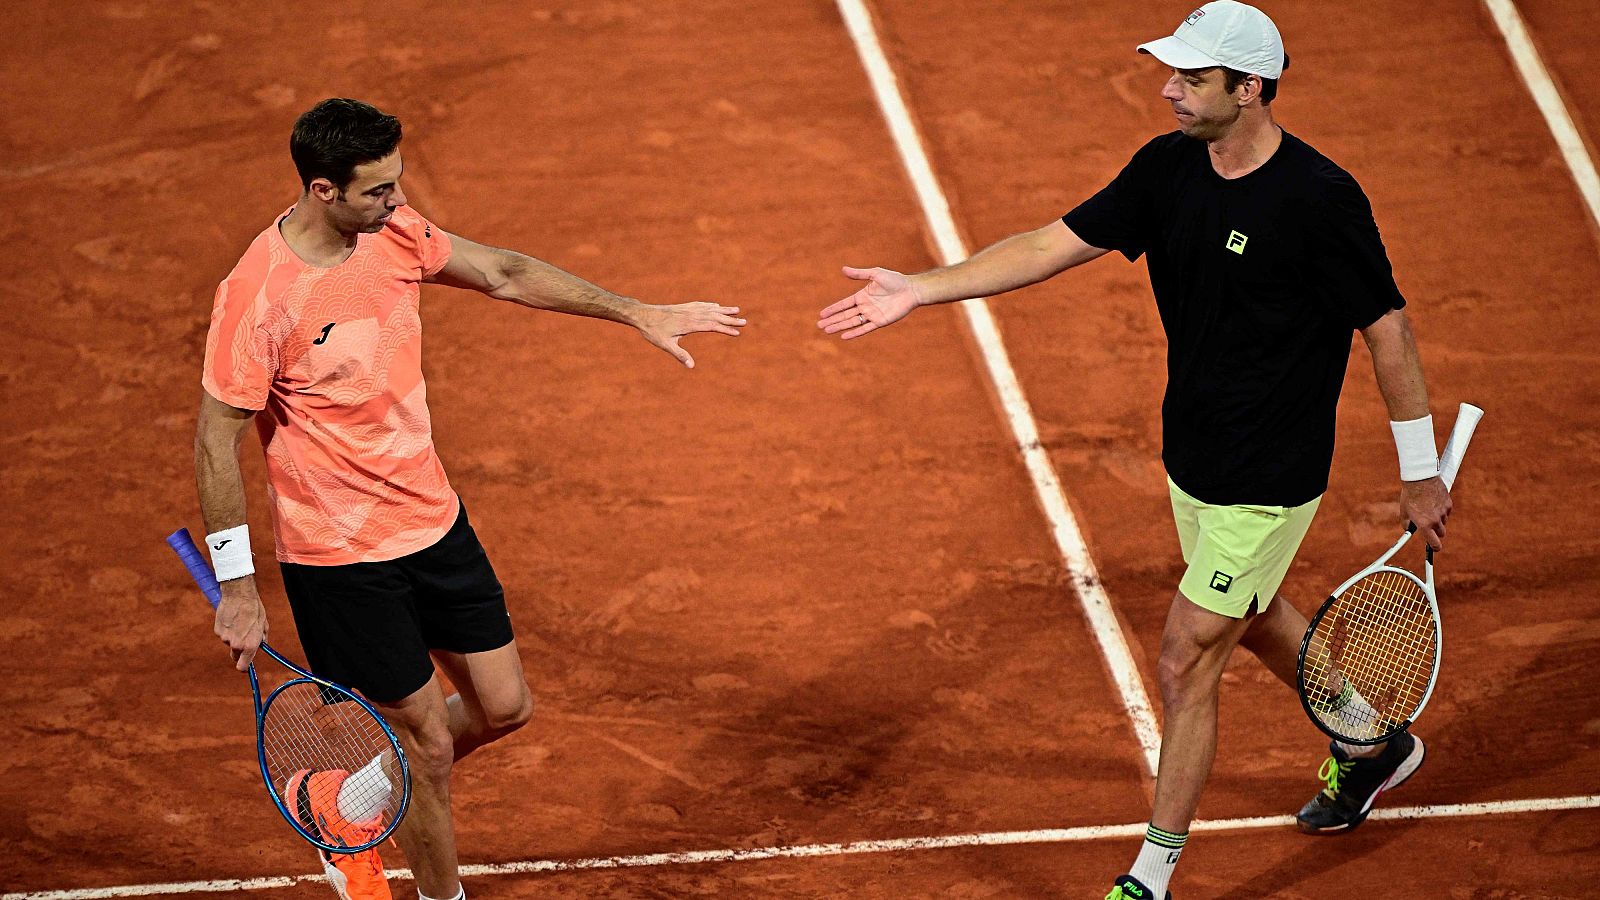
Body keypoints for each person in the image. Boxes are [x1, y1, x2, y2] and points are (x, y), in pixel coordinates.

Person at [817, 3, 1450, 896]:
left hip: (1270, 476)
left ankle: (1150, 877)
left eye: (1192, 79)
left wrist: (1418, 468)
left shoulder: (1319, 200)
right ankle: (1370, 740)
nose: (1168, 89)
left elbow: (1387, 327)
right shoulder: (1168, 170)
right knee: (1254, 614)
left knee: (1187, 654)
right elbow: (1048, 244)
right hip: (1193, 457)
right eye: (1174, 74)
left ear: (1250, 88)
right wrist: (922, 288)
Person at [195, 97, 745, 900]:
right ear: (323, 190)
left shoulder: (391, 233)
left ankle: (341, 803)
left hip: (432, 521)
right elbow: (217, 438)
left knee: (503, 706)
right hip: (341, 556)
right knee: (426, 744)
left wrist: (634, 311)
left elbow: (504, 272)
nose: (397, 200)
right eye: (378, 189)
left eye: (397, 182)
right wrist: (239, 586)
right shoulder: (259, 298)